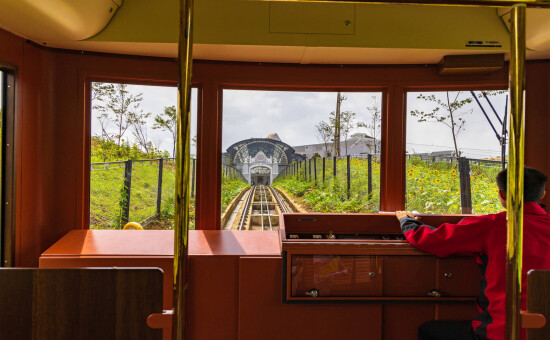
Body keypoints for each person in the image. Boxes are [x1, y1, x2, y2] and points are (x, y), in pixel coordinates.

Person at [395, 167, 550, 340]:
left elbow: (433, 240)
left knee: (429, 330)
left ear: (502, 195)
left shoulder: (493, 225)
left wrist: (406, 221)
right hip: (545, 330)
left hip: (501, 330)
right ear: (542, 194)